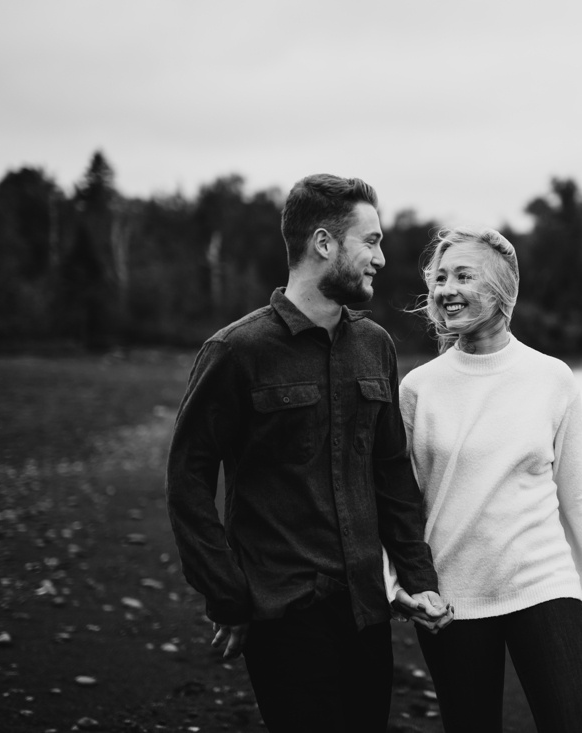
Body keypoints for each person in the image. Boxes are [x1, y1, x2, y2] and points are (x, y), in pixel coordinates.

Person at [166, 174, 450, 733]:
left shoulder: (376, 347)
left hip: (367, 609)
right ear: (324, 244)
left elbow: (391, 474)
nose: (381, 258)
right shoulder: (235, 351)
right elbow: (188, 481)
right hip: (283, 611)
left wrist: (419, 580)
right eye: (369, 241)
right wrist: (228, 595)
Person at [386, 226, 582, 733]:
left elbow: (578, 493)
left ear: (502, 291)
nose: (446, 289)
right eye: (440, 277)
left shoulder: (551, 378)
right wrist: (399, 585)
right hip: (453, 597)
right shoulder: (418, 389)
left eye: (463, 276)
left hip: (543, 584)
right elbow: (396, 499)